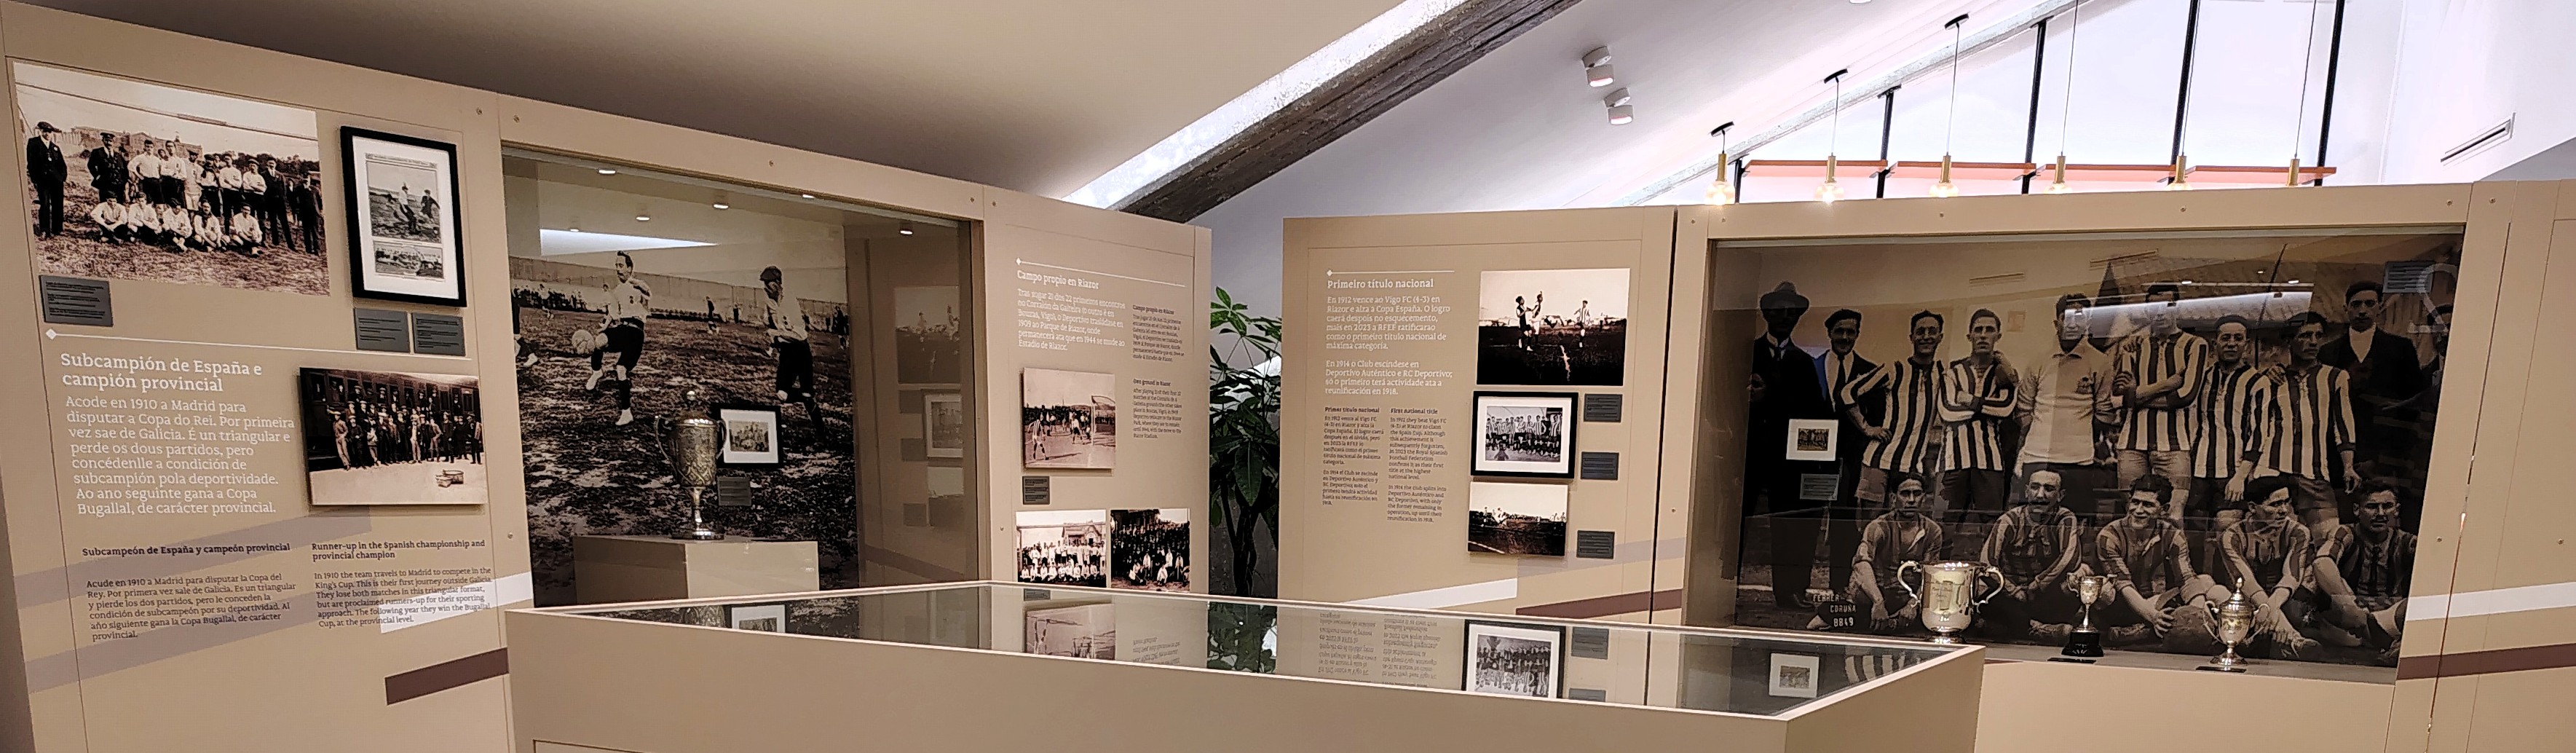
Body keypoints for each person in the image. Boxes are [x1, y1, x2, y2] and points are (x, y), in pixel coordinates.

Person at [1747, 282, 1833, 608]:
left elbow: (1815, 414)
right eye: (1779, 310)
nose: (1785, 316)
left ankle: (1790, 591)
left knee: (1791, 527)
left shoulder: (1803, 363)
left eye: (1792, 312)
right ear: (1766, 314)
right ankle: (1721, 589)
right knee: (1731, 525)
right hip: (1747, 457)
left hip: (1788, 464)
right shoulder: (1746, 354)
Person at [2243, 312, 2358, 531]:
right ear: (2289, 340)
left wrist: (2348, 467)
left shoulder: (2335, 377)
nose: (2313, 342)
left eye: (2318, 336)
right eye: (2305, 336)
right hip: (2273, 471)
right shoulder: (2272, 378)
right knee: (2276, 537)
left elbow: (2343, 425)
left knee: (2329, 534)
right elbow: (2256, 428)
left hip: (2314, 474)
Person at [2109, 283, 2210, 521]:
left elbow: (2185, 396)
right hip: (2132, 443)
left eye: (2168, 306)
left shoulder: (2195, 345)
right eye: (2155, 307)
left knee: (2173, 514)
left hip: (2175, 444)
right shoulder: (2134, 346)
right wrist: (2166, 385)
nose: (2161, 312)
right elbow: (2118, 398)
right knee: (2134, 513)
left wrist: (2137, 395)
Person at [2015, 293, 2117, 522]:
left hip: (2079, 461)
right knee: (2033, 522)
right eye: (2066, 317)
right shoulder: (2038, 361)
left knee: (2076, 522)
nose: (2073, 323)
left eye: (2079, 317)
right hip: (2037, 457)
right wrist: (2037, 439)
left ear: (2088, 322)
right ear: (2056, 323)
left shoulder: (2100, 362)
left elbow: (2104, 413)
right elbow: (2024, 409)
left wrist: (2079, 439)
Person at [2093, 476, 2227, 646]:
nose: (2138, 510)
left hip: (2153, 602)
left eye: (2148, 505)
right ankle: (2124, 632)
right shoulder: (2110, 535)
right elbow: (2124, 586)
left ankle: (2235, 635)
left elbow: (2187, 579)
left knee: (2208, 584)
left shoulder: (2172, 534)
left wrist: (2201, 615)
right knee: (2104, 589)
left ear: (2164, 509)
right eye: (2135, 502)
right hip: (2119, 604)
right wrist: (2154, 617)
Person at [1841, 311, 1948, 520]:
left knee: (1904, 525)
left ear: (1940, 337)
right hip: (1878, 461)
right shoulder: (1895, 369)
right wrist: (1867, 428)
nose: (1926, 336)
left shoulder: (1942, 373)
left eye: (1932, 331)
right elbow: (1847, 393)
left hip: (1912, 465)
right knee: (1872, 526)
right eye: (1920, 332)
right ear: (1912, 337)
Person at [1809, 473, 1944, 634]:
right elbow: (1861, 565)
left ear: (1924, 498)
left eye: (1917, 494)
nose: (1911, 500)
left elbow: (1931, 575)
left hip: (1910, 599)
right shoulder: (1878, 527)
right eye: (1905, 494)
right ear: (1893, 498)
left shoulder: (1933, 531)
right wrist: (1878, 602)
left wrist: (1912, 605)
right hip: (1874, 595)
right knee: (1824, 619)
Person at [2319, 280, 2427, 478]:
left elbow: (2414, 401)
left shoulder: (2401, 348)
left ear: (2380, 307)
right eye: (2356, 304)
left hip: (2387, 451)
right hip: (2337, 452)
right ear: (2346, 308)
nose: (2362, 311)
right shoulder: (2328, 352)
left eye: (2369, 304)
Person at [2189, 315, 2270, 571]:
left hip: (2233, 471)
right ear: (2215, 343)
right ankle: (2195, 588)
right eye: (2226, 338)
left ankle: (2227, 589)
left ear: (2246, 344)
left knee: (2227, 532)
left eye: (2238, 338)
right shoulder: (2202, 378)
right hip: (2198, 470)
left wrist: (2241, 476)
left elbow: (2260, 432)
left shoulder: (2258, 381)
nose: (2232, 343)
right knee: (2193, 536)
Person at [2219, 475, 2323, 659]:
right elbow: (2246, 582)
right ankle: (2293, 639)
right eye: (2275, 505)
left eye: (2286, 502)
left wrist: (2269, 609)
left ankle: (2278, 638)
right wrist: (2267, 610)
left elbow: (2291, 577)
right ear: (2253, 508)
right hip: (2244, 599)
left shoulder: (2299, 532)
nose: (2284, 511)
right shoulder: (2232, 536)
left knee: (2295, 611)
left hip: (2281, 600)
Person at [1977, 468, 2086, 642]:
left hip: (2045, 593)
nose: (2040, 495)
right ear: (2027, 492)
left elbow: (2070, 558)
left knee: (2076, 582)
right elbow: (1987, 563)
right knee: (1984, 592)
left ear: (2060, 495)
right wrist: (2014, 591)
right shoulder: (2010, 520)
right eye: (2035, 487)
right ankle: (2036, 629)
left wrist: (2037, 585)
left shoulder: (2065, 518)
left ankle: (2015, 628)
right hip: (2011, 593)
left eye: (2049, 489)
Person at [2310, 481, 2413, 663]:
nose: (2380, 514)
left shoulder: (2406, 541)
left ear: (2397, 510)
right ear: (2357, 510)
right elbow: (2322, 562)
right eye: (2372, 507)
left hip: (2390, 615)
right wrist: (2349, 606)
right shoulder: (2345, 533)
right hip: (2351, 614)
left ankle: (2385, 639)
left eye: (2387, 506)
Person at [1938, 309, 2017, 523]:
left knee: (1991, 525)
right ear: (1969, 336)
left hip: (1990, 461)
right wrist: (1987, 407)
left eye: (1989, 330)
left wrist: (1970, 400)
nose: (1983, 335)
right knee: (1946, 525)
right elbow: (1947, 411)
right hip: (1953, 461)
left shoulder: (2004, 375)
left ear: (1998, 336)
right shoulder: (1952, 373)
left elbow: (2005, 408)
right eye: (1978, 330)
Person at [1820, 309, 1877, 594]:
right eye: (1839, 331)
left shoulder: (1869, 372)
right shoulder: (1813, 367)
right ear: (1829, 333)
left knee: (1845, 521)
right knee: (1809, 519)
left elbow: (1876, 416)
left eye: (1850, 332)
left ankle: (1840, 585)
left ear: (1858, 335)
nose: (1844, 337)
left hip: (1852, 459)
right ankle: (1796, 586)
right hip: (1816, 458)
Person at [587, 251, 652, 427]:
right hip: (622, 329)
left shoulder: (639, 286)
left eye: (621, 265)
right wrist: (605, 326)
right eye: (616, 266)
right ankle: (597, 371)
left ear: (630, 268)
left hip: (636, 332)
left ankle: (626, 412)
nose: (618, 269)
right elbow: (613, 314)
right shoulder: (616, 292)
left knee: (621, 370)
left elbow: (647, 293)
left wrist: (637, 283)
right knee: (599, 341)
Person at [762, 266, 822, 433]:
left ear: (778, 283)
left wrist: (776, 333)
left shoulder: (790, 303)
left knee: (807, 395)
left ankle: (821, 431)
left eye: (769, 283)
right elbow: (771, 323)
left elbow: (800, 336)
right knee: (782, 394)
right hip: (787, 352)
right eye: (765, 284)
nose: (766, 288)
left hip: (800, 351)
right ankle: (806, 396)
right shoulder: (770, 302)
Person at [25, 122, 66, 237]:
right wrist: (35, 180)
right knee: (45, 204)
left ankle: (57, 229)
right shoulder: (34, 143)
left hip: (56, 181)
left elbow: (62, 165)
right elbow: (31, 163)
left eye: (49, 132)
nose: (47, 134)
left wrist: (62, 178)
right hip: (43, 181)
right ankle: (45, 229)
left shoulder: (55, 148)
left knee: (58, 204)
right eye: (45, 131)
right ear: (41, 131)